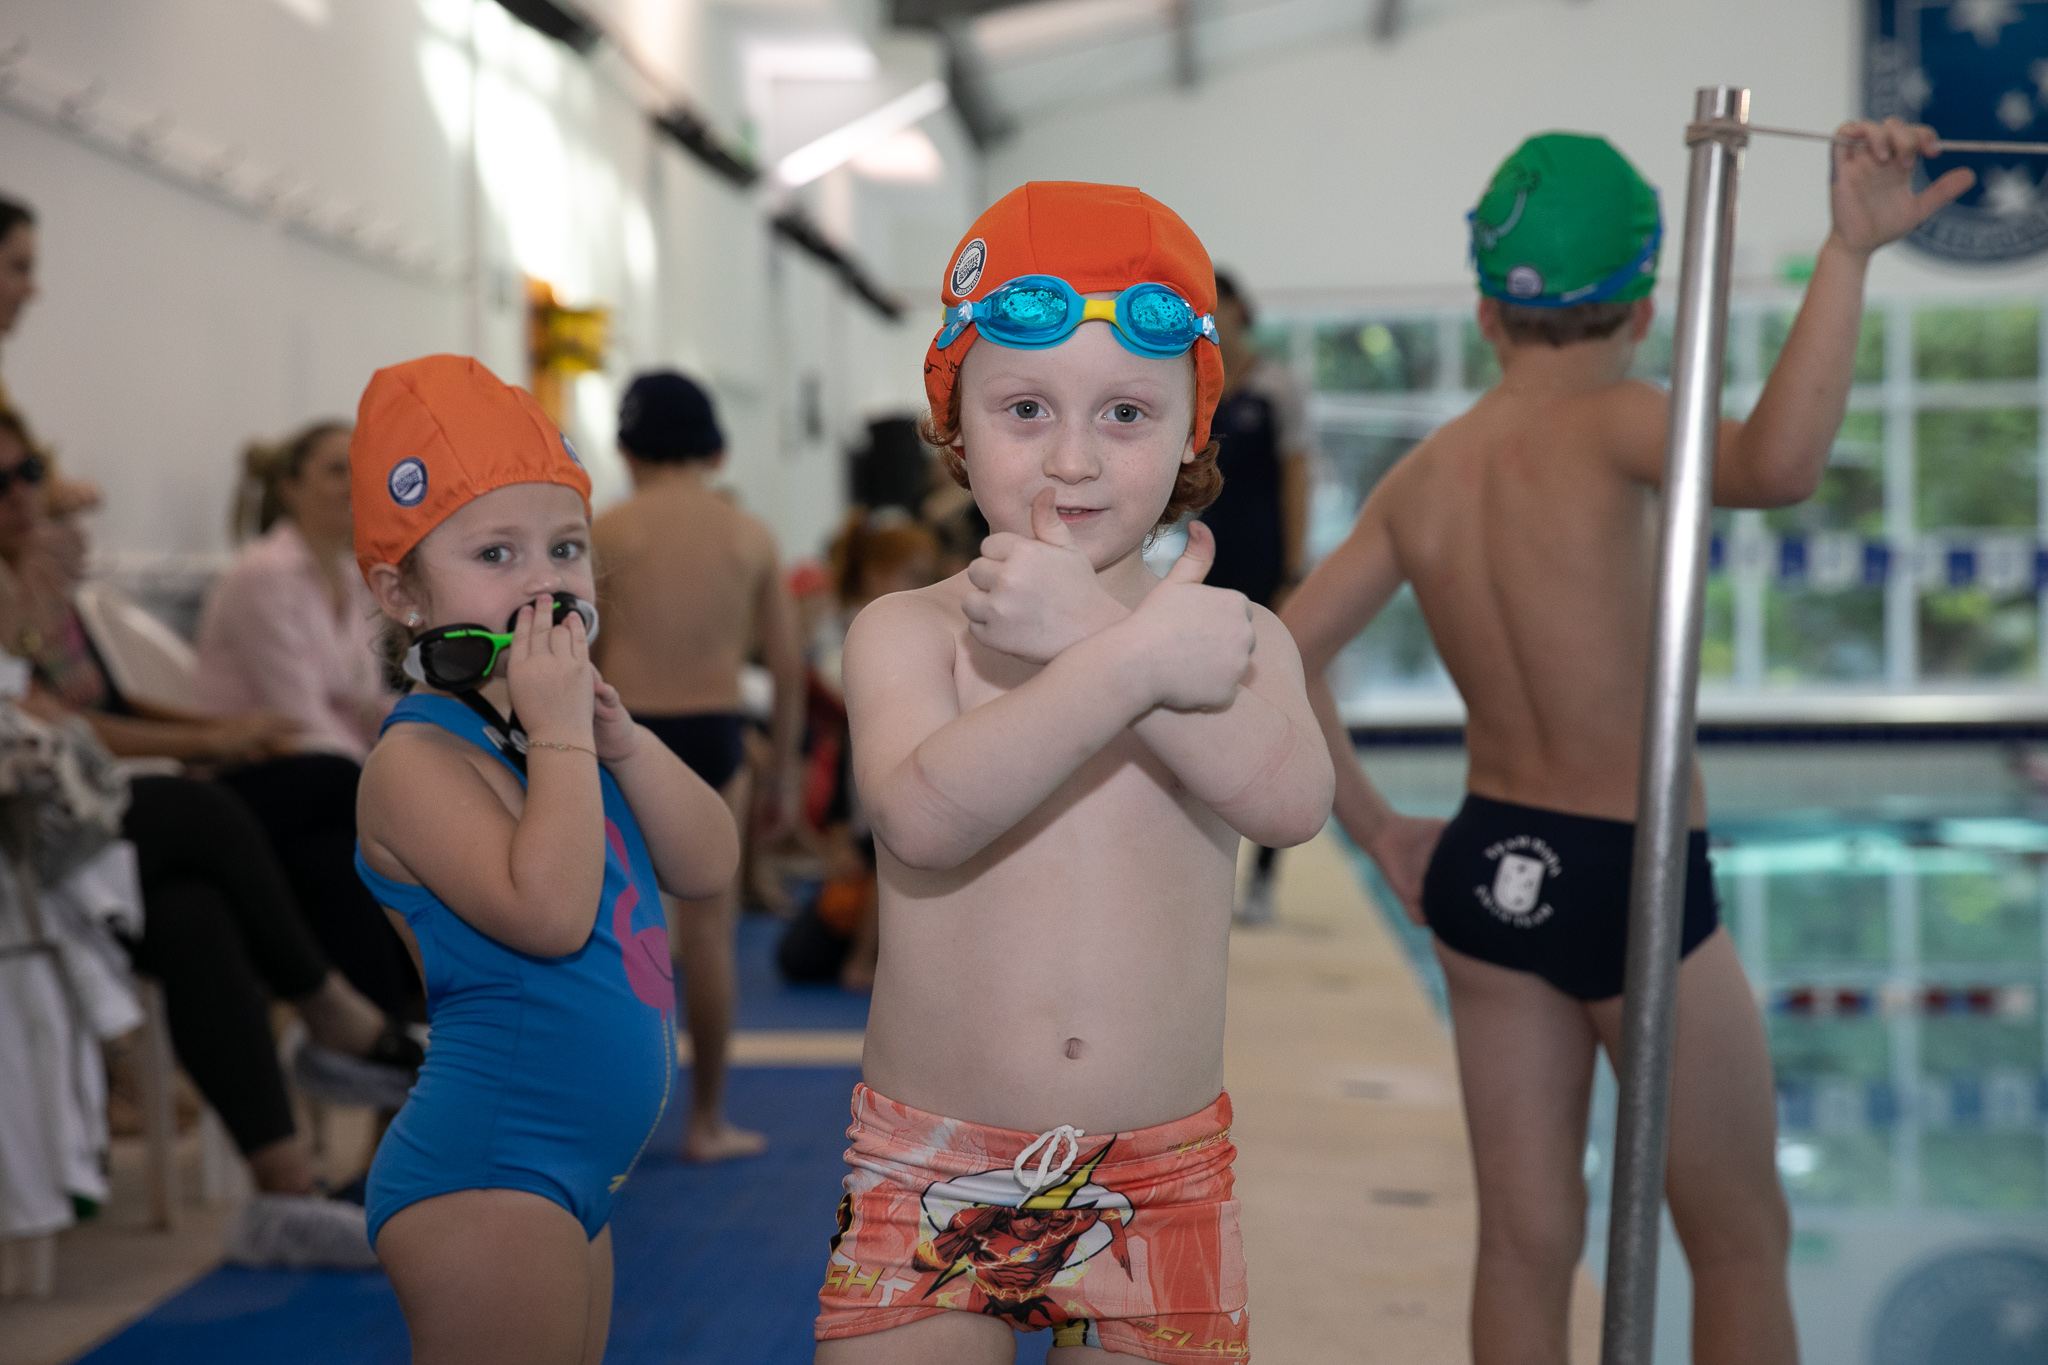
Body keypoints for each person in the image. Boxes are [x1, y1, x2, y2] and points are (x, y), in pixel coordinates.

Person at [1280, 125, 1973, 1365]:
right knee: (1738, 1237)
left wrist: (1376, 830)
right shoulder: (1619, 421)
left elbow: (1278, 656)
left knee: (1522, 1245)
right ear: (1644, 307)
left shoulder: (1423, 477)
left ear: (1485, 312)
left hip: (1487, 867)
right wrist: (1845, 253)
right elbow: (1779, 464)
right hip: (1631, 879)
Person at [812, 181, 1333, 1364]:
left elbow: (1292, 803)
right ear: (951, 423)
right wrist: (1121, 661)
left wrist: (1098, 636)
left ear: (1194, 426)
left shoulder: (1232, 637)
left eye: (1126, 413)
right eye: (1025, 407)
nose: (1072, 457)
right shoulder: (906, 632)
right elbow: (920, 818)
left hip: (1162, 1178)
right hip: (928, 1163)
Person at [352, 355, 738, 1365]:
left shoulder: (559, 736)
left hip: (574, 1173)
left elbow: (709, 862)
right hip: (488, 1168)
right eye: (496, 552)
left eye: (566, 547)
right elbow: (551, 914)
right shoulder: (417, 761)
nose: (545, 580)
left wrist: (623, 743)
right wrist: (564, 735)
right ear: (401, 591)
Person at [0, 411, 406, 1267]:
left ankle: (288, 1192)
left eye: (27, 472)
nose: (22, 496)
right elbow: (45, 725)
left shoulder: (37, 578)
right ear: (287, 486)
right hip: (30, 835)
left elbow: (105, 704)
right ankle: (346, 1021)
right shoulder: (263, 578)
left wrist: (211, 733)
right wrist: (213, 737)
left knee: (199, 913)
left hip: (99, 820)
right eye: (1, 484)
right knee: (294, 799)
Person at [590, 369, 803, 1164]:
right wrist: (783, 775)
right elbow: (786, 666)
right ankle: (706, 1120)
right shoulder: (749, 534)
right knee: (709, 936)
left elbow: (580, 654)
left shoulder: (605, 530)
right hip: (715, 734)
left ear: (625, 448)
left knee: (610, 934)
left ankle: (607, 1127)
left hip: (624, 730)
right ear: (717, 449)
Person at [1199, 271, 1317, 926]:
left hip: (1267, 563)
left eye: (1221, 304)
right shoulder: (1195, 385)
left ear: (1243, 308)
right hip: (1209, 565)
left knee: (1276, 709)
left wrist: (1293, 569)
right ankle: (1208, 866)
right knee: (1207, 716)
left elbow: (1297, 477)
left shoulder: (1277, 385)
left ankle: (1266, 876)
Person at [197, 420, 394, 760]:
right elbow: (298, 715)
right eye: (337, 471)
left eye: (362, 470)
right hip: (257, 765)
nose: (355, 485)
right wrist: (380, 773)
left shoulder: (354, 576)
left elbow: (367, 704)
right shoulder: (263, 576)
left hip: (329, 759)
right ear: (290, 487)